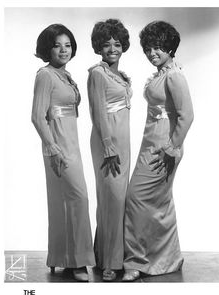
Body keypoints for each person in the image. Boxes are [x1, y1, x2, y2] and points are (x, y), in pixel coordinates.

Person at [123, 21, 194, 281]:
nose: (152, 53)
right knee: (159, 203)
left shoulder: (174, 75)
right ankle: (167, 258)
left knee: (136, 198)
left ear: (170, 47)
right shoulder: (163, 72)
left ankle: (136, 262)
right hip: (151, 141)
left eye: (158, 48)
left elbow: (187, 116)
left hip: (163, 145)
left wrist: (172, 147)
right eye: (149, 49)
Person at [31, 24, 95, 282]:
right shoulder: (45, 75)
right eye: (57, 45)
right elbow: (37, 116)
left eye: (67, 45)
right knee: (78, 199)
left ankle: (61, 258)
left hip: (72, 145)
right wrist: (53, 147)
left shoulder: (65, 75)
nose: (63, 50)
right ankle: (77, 262)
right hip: (58, 147)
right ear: (48, 48)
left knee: (65, 203)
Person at [87, 19, 132, 281]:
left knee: (116, 202)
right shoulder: (97, 73)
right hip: (109, 143)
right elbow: (98, 112)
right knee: (112, 201)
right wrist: (107, 146)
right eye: (106, 44)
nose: (112, 48)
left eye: (117, 43)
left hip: (123, 142)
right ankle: (111, 263)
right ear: (99, 47)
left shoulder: (119, 75)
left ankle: (103, 254)